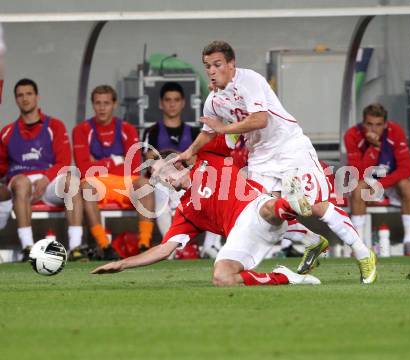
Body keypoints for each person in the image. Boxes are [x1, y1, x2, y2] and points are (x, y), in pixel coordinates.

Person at [176, 40, 376, 283]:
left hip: (289, 147)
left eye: (217, 64)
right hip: (260, 158)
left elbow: (260, 119)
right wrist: (189, 152)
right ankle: (311, 242)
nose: (211, 70)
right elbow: (208, 131)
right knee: (266, 212)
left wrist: (225, 128)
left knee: (312, 204)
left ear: (231, 64)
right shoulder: (214, 100)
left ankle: (363, 253)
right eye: (207, 66)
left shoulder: (250, 80)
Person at [92, 141, 321, 287]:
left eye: (164, 171)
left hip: (259, 210)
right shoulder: (186, 211)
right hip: (244, 235)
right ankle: (285, 276)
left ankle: (291, 204)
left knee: (265, 207)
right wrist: (122, 264)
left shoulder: (208, 159)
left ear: (179, 163)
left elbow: (226, 128)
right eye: (157, 176)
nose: (163, 179)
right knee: (222, 278)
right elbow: (164, 250)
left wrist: (220, 95)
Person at [0, 78, 83, 260]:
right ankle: (28, 247)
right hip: (21, 184)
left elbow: (64, 162)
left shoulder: (55, 126)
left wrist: (46, 179)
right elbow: (2, 168)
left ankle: (76, 248)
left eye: (29, 94)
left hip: (50, 181)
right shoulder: (6, 132)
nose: (25, 99)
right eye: (20, 95)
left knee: (72, 181)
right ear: (15, 100)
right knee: (21, 182)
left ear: (37, 97)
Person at [141, 82, 220, 258]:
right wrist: (173, 157)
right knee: (161, 187)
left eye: (176, 100)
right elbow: (148, 159)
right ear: (161, 103)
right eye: (168, 100)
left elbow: (198, 159)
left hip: (189, 181)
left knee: (216, 189)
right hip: (161, 182)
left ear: (183, 103)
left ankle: (210, 246)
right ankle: (170, 247)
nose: (172, 104)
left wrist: (178, 157)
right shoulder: (151, 131)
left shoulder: (194, 132)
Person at [72, 85, 148, 259]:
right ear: (93, 105)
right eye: (98, 103)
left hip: (124, 182)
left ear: (114, 105)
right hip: (98, 184)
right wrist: (116, 160)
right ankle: (104, 246)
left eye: (106, 103)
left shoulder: (127, 129)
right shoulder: (81, 130)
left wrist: (98, 163)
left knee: (144, 183)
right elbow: (83, 168)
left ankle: (144, 244)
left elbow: (134, 165)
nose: (102, 108)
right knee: (86, 187)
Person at [345, 103, 410, 256]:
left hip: (390, 180)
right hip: (367, 179)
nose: (373, 129)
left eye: (378, 125)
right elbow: (357, 172)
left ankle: (409, 242)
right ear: (363, 123)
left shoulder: (395, 131)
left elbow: (406, 169)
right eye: (369, 124)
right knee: (357, 189)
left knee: (408, 186)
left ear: (385, 124)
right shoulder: (352, 134)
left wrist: (380, 184)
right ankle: (358, 245)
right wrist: (375, 148)